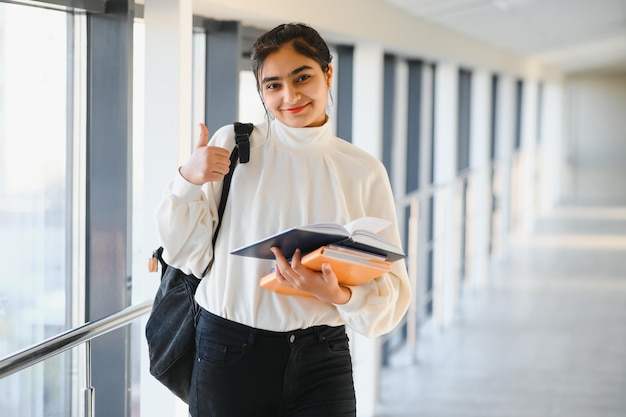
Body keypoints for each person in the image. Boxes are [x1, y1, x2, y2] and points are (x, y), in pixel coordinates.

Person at [155, 22, 411, 417]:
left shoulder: (363, 170)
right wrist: (188, 179)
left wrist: (337, 295)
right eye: (273, 85)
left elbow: (392, 286)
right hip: (229, 352)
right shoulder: (235, 146)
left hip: (322, 357)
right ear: (261, 92)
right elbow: (186, 252)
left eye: (302, 77)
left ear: (327, 73)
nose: (289, 96)